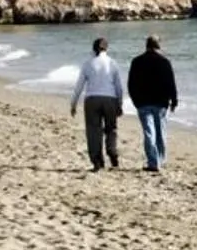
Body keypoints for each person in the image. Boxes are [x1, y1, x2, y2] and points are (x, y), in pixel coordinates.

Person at [70, 36, 128, 172]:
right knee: (111, 128)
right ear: (106, 48)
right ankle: (112, 152)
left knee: (93, 131)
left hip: (92, 99)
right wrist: (119, 103)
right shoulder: (112, 63)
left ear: (94, 49)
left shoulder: (88, 63)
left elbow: (79, 86)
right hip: (110, 98)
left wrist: (73, 104)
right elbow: (119, 87)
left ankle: (97, 161)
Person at [127, 36, 179, 173]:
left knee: (149, 132)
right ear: (158, 46)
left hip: (143, 102)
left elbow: (131, 84)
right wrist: (174, 101)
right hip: (161, 103)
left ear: (146, 46)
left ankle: (152, 161)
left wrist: (135, 101)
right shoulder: (165, 62)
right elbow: (171, 83)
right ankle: (160, 161)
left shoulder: (136, 62)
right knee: (160, 132)